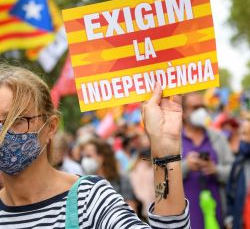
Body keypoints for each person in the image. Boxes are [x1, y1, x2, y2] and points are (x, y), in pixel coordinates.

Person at [0, 64, 190, 228]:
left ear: (50, 127)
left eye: (17, 120)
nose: (3, 132)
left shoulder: (88, 200)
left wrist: (165, 152)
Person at [181, 92, 234, 228]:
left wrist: (216, 170)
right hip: (187, 219)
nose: (201, 111)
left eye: (203, 107)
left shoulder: (218, 138)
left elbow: (234, 171)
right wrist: (186, 165)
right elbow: (161, 177)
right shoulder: (174, 141)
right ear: (183, 112)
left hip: (217, 215)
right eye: (195, 107)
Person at [78, 137, 138, 212]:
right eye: (83, 156)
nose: (85, 160)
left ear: (101, 157)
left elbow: (132, 210)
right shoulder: (84, 184)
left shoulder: (121, 179)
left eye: (88, 156)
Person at [225, 118, 250, 229]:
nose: (242, 139)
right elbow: (230, 193)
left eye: (246, 134)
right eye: (241, 134)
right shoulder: (238, 163)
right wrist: (230, 218)